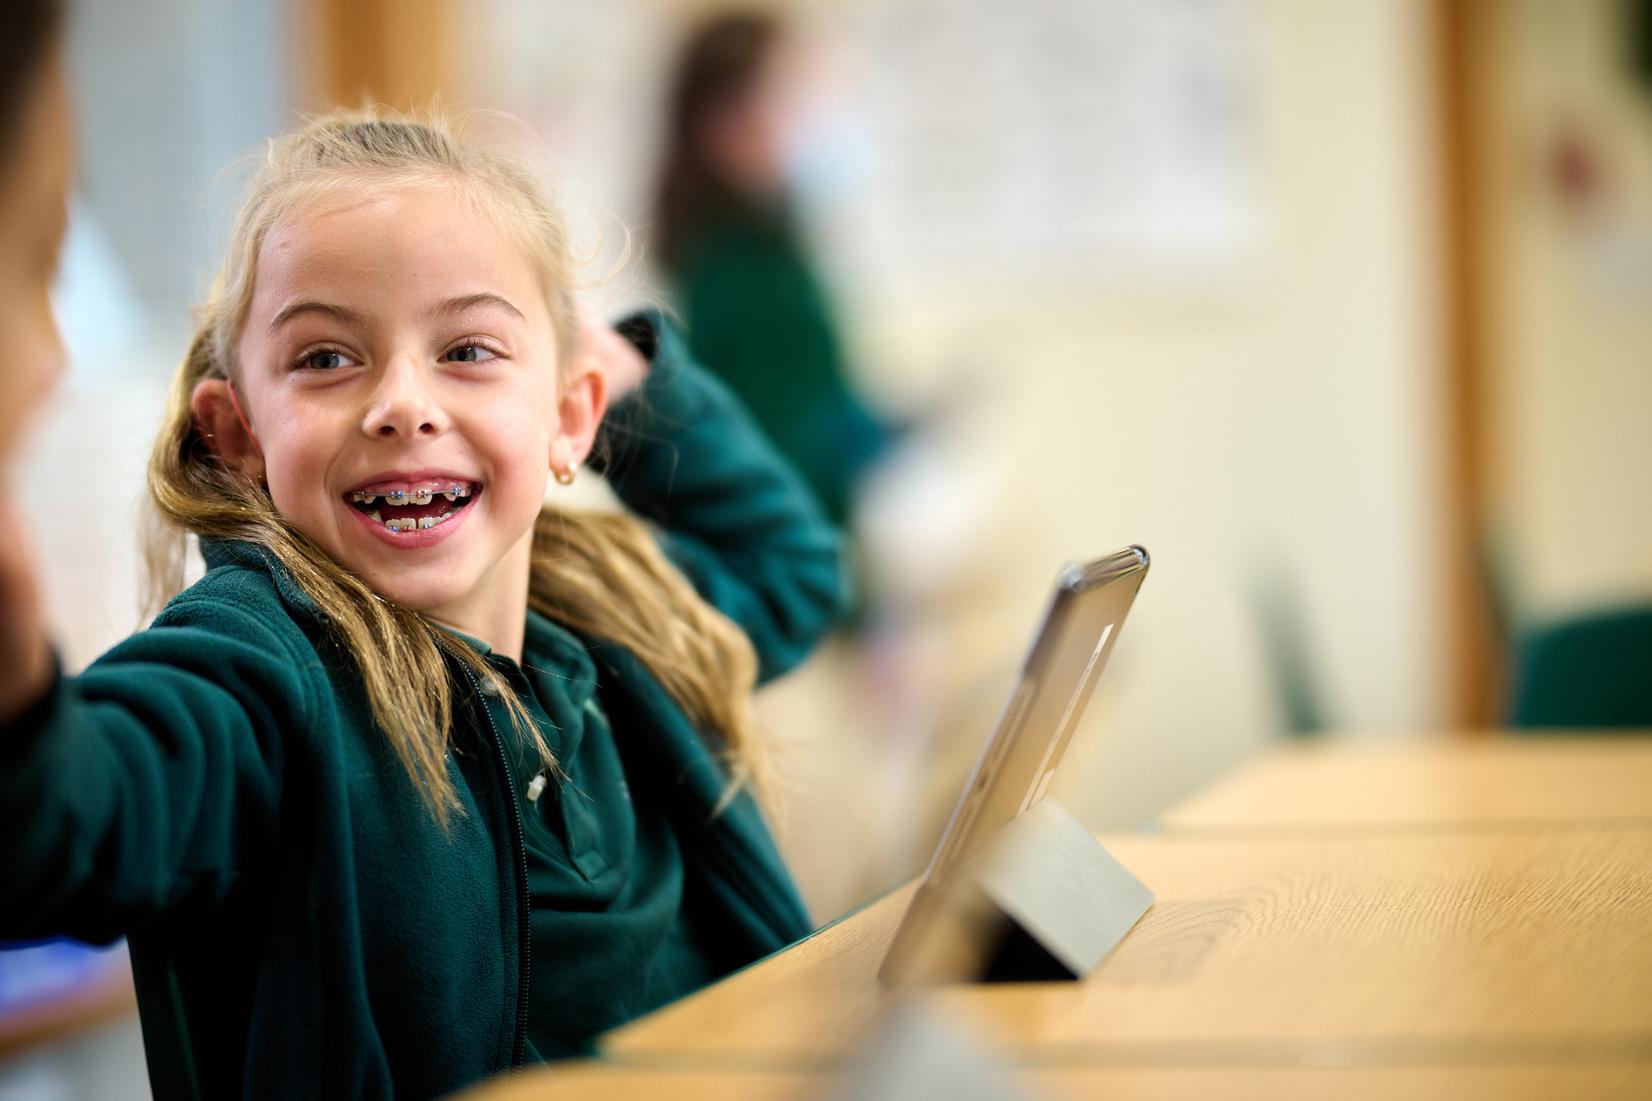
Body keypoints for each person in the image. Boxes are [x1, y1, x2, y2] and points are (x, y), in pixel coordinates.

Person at [0, 70, 846, 1101]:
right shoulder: (258, 667)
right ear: (239, 437)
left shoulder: (614, 613)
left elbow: (789, 569)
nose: (403, 404)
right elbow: (67, 817)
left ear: (570, 418)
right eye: (325, 358)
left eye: (467, 349)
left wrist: (618, 373)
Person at [652, 10, 893, 530]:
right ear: (726, 123)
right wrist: (868, 446)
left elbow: (816, 393)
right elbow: (776, 455)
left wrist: (880, 431)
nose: (810, 117)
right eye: (789, 95)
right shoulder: (733, 274)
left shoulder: (773, 249)